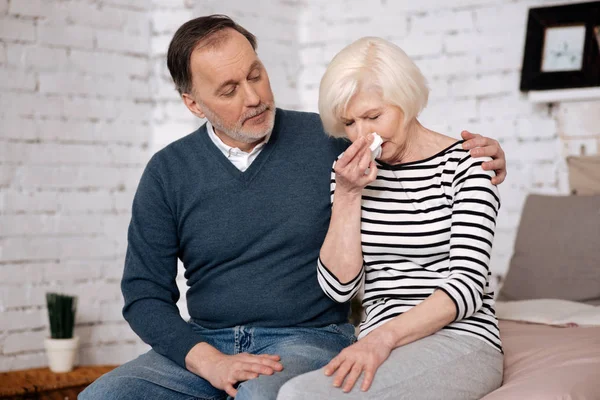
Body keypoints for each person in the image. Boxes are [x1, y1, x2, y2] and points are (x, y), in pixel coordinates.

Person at [80, 16, 507, 400]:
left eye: (256, 75)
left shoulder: (332, 141)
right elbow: (144, 296)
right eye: (229, 90)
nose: (253, 97)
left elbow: (409, 150)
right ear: (194, 104)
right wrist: (206, 359)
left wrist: (483, 156)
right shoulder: (167, 172)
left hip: (305, 339)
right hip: (205, 343)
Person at [277, 36, 504, 400]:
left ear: (407, 101)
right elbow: (338, 288)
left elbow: (467, 286)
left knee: (302, 396)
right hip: (379, 341)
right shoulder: (350, 175)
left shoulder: (468, 165)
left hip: (459, 338)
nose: (362, 134)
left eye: (373, 116)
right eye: (349, 122)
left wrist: (383, 339)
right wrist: (348, 195)